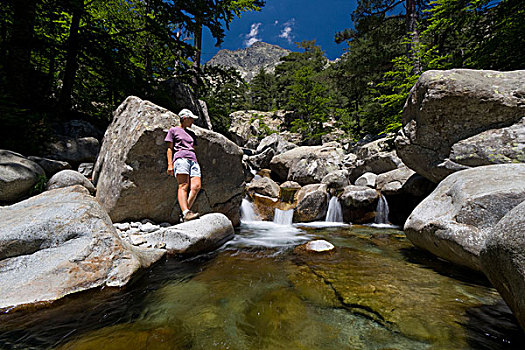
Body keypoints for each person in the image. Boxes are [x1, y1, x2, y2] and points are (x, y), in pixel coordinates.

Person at [165, 109, 201, 221]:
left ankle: (185, 213)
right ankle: (186, 213)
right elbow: (169, 148)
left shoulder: (192, 134)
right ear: (184, 118)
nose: (192, 122)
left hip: (193, 160)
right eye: (191, 119)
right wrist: (170, 165)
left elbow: (193, 149)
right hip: (180, 159)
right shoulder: (173, 130)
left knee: (196, 186)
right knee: (183, 185)